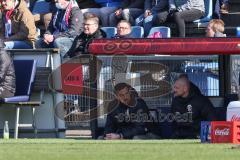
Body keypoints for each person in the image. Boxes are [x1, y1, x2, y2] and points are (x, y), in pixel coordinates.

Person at [171, 74, 216, 139]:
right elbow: (173, 121)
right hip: (179, 134)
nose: (174, 90)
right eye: (174, 87)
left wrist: (204, 135)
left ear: (185, 88)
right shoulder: (175, 101)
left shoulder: (201, 100)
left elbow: (212, 118)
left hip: (196, 135)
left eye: (177, 88)